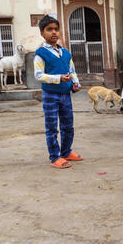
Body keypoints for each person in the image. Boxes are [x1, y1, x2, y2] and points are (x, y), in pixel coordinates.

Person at [34, 15, 83, 169]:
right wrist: (59, 78)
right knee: (52, 127)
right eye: (49, 29)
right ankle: (55, 157)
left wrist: (76, 83)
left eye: (56, 29)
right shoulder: (40, 53)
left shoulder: (66, 53)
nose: (54, 32)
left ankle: (66, 152)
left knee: (68, 125)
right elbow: (39, 75)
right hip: (50, 95)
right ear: (42, 33)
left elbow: (72, 71)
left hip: (66, 94)